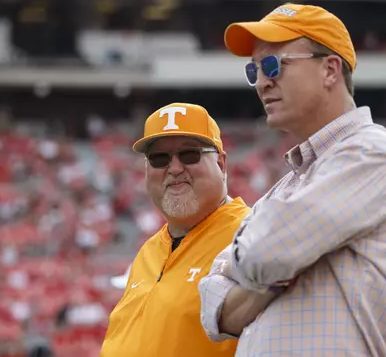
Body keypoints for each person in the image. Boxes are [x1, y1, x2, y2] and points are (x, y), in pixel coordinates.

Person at [199, 3, 386, 357]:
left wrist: (252, 264)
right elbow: (213, 311)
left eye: (273, 65)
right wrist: (280, 267)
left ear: (330, 69)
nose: (261, 82)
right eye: (252, 70)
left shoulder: (375, 154)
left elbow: (263, 254)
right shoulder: (286, 187)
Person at [100, 102, 272, 357]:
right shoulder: (150, 249)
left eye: (190, 154)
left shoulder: (252, 234)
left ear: (222, 165)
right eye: (159, 159)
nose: (175, 168)